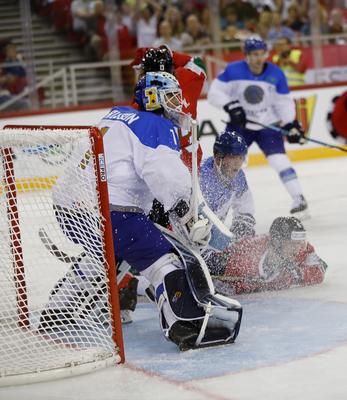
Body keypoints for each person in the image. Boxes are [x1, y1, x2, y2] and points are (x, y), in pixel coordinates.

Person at [41, 71, 242, 351]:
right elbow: (163, 174)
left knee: (111, 256)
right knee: (165, 261)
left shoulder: (115, 115)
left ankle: (57, 311)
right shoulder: (155, 124)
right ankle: (182, 326)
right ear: (153, 97)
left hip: (68, 206)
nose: (177, 103)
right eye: (171, 96)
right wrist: (185, 213)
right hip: (111, 211)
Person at [207, 37, 308, 218]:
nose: (259, 58)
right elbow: (214, 92)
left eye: (262, 54)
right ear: (246, 55)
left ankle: (299, 198)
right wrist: (230, 105)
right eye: (254, 54)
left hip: (267, 125)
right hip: (240, 126)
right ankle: (215, 205)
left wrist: (289, 124)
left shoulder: (276, 73)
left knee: (279, 159)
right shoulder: (233, 70)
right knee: (227, 165)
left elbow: (283, 103)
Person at [209, 216, 327, 295]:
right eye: (292, 244)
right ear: (276, 242)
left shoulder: (302, 250)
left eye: (302, 243)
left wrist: (298, 274)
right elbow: (213, 272)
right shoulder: (246, 253)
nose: (299, 248)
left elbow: (320, 270)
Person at [200, 129, 256, 242]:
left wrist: (242, 224)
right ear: (217, 157)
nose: (238, 163)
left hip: (212, 238)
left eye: (241, 158)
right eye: (233, 157)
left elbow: (244, 203)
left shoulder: (238, 175)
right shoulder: (200, 177)